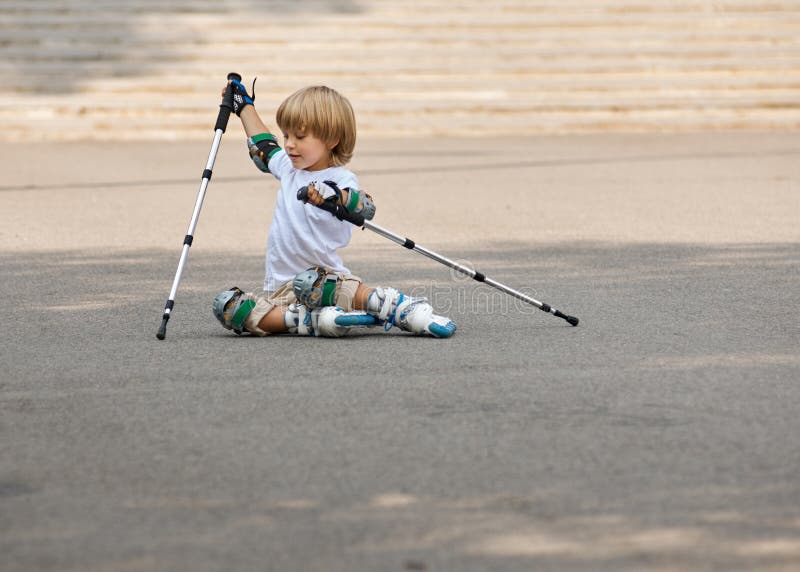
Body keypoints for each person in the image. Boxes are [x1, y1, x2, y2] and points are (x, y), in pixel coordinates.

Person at [211, 78, 456, 338]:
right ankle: (306, 319)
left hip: (325, 281)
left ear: (332, 140)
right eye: (286, 135)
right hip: (283, 287)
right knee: (232, 309)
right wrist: (243, 106)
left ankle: (394, 307)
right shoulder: (288, 167)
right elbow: (263, 146)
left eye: (300, 136)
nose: (290, 144)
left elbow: (364, 206)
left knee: (331, 286)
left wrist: (334, 196)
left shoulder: (340, 179)